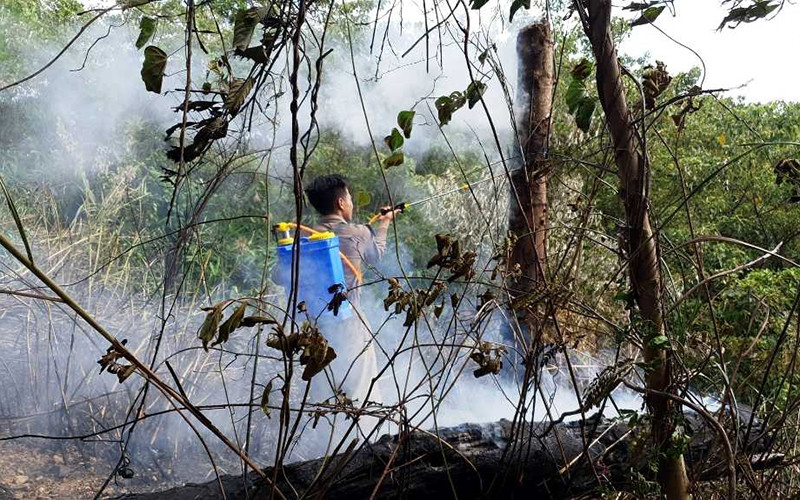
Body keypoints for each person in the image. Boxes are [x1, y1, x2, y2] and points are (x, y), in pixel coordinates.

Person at [304, 174, 397, 307]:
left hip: (313, 318)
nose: (351, 205)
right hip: (348, 317)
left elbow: (279, 276)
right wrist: (385, 221)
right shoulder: (359, 232)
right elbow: (376, 256)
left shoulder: (303, 235)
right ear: (341, 203)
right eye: (350, 199)